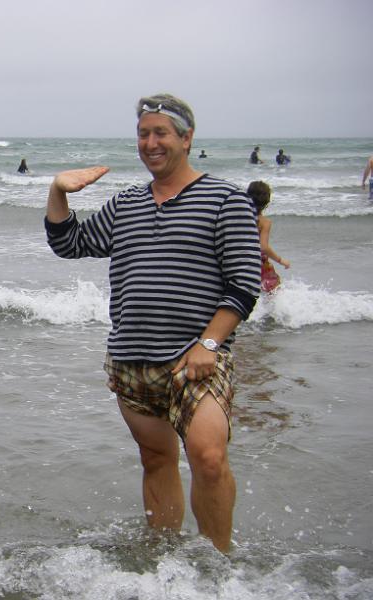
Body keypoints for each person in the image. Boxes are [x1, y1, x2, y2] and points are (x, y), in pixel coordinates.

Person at [44, 93, 261, 553]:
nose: (150, 142)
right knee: (156, 458)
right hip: (132, 360)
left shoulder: (226, 201)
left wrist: (208, 343)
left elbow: (244, 286)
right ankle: (165, 563)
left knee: (207, 456)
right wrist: (58, 191)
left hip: (197, 359)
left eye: (161, 132)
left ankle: (218, 566)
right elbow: (70, 244)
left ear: (186, 137)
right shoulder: (126, 205)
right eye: (143, 133)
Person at [246, 181, 290, 293]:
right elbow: (264, 247)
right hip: (257, 262)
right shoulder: (264, 222)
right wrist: (280, 260)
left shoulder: (238, 216)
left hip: (238, 259)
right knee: (273, 289)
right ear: (267, 201)